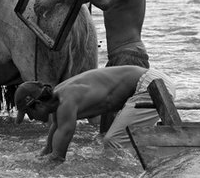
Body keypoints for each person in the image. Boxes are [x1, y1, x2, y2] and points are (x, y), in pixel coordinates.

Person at [35, 0, 149, 133]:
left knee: (112, 130)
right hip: (121, 58)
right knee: (107, 129)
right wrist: (53, 2)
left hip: (128, 58)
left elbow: (105, 1)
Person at [14, 65, 175, 164]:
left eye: (29, 113)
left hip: (152, 86)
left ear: (39, 104)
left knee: (113, 140)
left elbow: (58, 157)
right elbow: (49, 148)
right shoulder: (58, 100)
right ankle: (157, 158)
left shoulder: (66, 102)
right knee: (116, 140)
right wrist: (32, 161)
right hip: (151, 83)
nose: (32, 118)